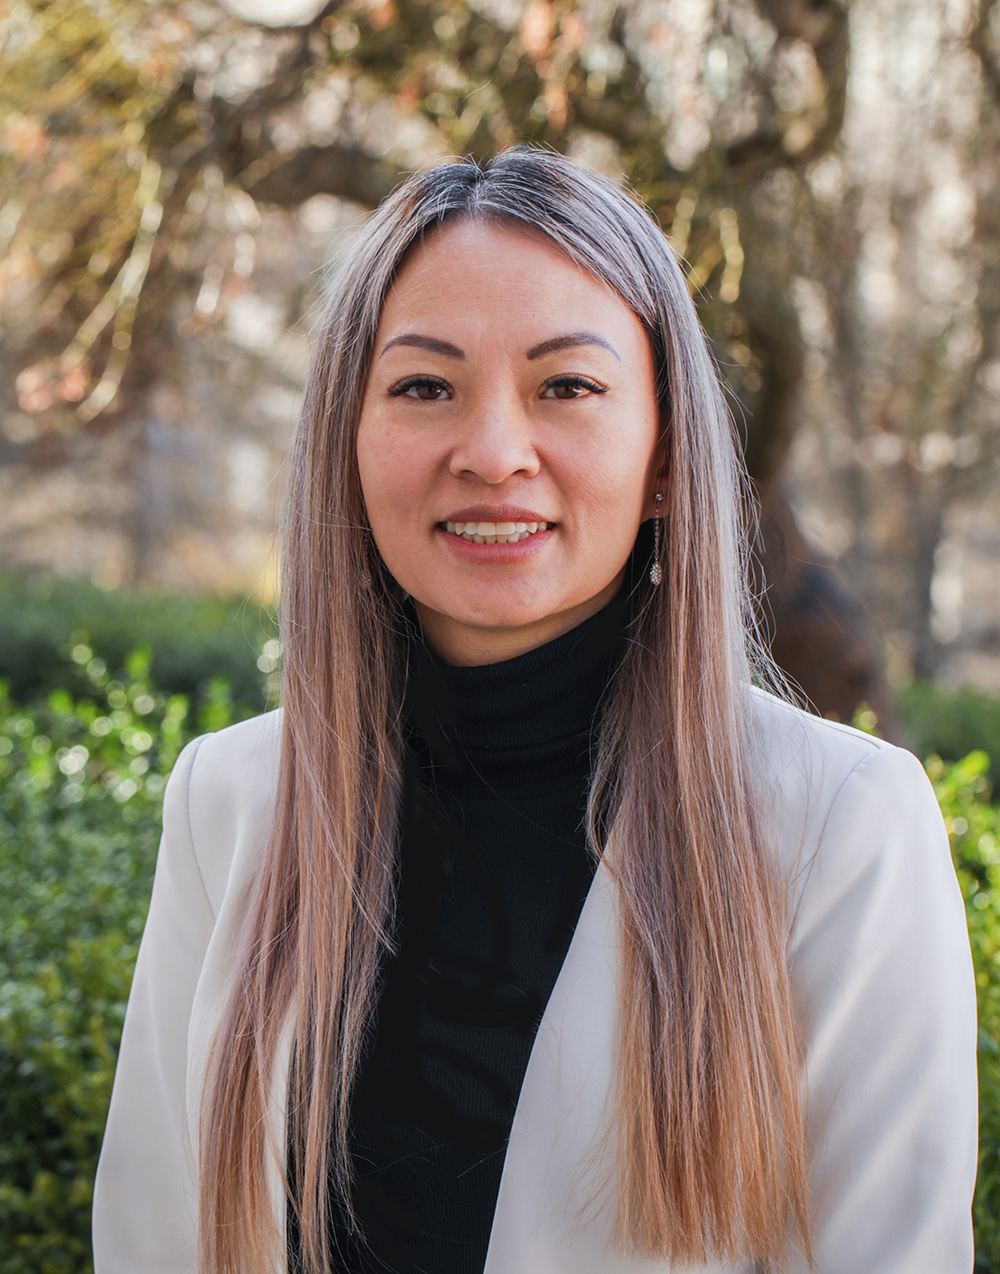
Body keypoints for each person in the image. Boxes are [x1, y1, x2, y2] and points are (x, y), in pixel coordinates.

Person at [92, 146, 978, 1274]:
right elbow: (151, 1242)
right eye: (424, 386)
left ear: (665, 457)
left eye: (566, 385)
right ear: (347, 444)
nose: (494, 451)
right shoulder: (230, 800)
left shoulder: (840, 827)